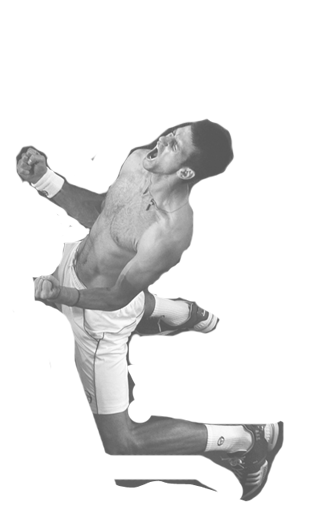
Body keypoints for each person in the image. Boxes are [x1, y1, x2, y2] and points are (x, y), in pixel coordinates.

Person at [15, 119, 277, 500]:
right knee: (119, 285)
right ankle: (183, 313)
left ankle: (244, 440)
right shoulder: (139, 160)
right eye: (172, 133)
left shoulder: (170, 232)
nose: (163, 139)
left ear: (185, 173)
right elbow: (105, 216)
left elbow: (116, 298)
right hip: (79, 268)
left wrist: (64, 295)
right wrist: (46, 180)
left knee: (123, 440)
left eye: (174, 145)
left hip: (101, 320)